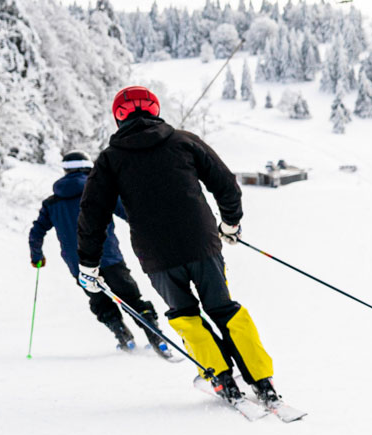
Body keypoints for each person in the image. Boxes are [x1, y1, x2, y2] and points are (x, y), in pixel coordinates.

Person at [76, 86, 281, 405]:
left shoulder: (109, 161)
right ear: (155, 110)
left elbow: (92, 215)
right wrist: (230, 224)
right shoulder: (184, 141)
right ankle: (262, 382)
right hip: (203, 245)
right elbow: (226, 185)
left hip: (157, 257)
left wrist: (88, 263)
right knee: (224, 309)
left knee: (185, 314)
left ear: (118, 118)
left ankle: (221, 378)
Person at [27, 151, 171, 359]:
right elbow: (130, 214)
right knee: (130, 297)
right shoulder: (100, 191)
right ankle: (155, 337)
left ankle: (123, 337)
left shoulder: (52, 203)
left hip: (78, 265)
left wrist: (36, 256)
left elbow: (36, 232)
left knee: (99, 301)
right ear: (88, 167)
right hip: (109, 257)